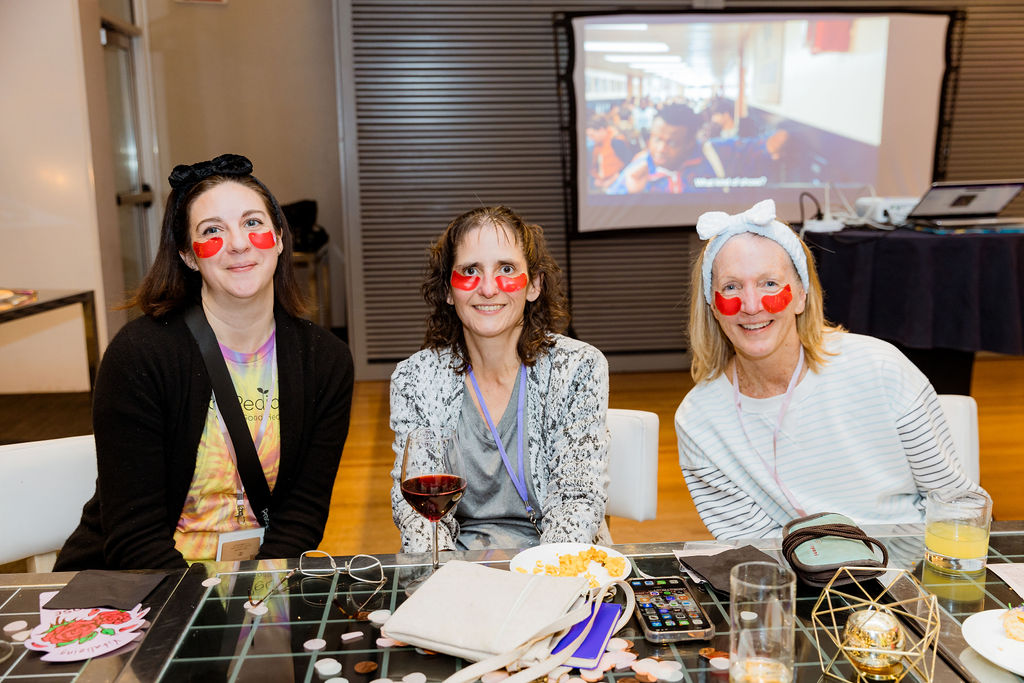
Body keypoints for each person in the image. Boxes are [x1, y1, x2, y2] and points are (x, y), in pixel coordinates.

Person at [56, 153, 354, 570]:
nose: (238, 243)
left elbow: (303, 514)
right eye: (212, 230)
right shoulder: (140, 356)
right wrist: (204, 606)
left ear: (279, 238)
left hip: (259, 582)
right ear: (188, 255)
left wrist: (255, 592)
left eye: (253, 223)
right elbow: (134, 537)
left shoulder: (325, 360)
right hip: (143, 582)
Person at [675, 199, 985, 540]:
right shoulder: (699, 421)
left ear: (801, 295)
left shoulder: (880, 369)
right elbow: (756, 549)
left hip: (911, 562)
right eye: (731, 287)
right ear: (712, 305)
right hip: (800, 571)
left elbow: (957, 504)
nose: (751, 305)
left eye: (769, 284)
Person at [389, 206, 610, 552]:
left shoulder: (578, 368)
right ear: (449, 290)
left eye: (506, 269)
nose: (489, 288)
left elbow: (577, 500)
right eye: (470, 271)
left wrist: (541, 575)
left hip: (551, 559)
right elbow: (416, 510)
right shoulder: (415, 378)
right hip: (454, 564)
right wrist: (447, 575)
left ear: (534, 284)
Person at [606, 103, 716, 194]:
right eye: (657, 139)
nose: (661, 149)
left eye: (672, 143)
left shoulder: (711, 160)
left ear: (690, 143)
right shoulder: (638, 169)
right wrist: (632, 195)